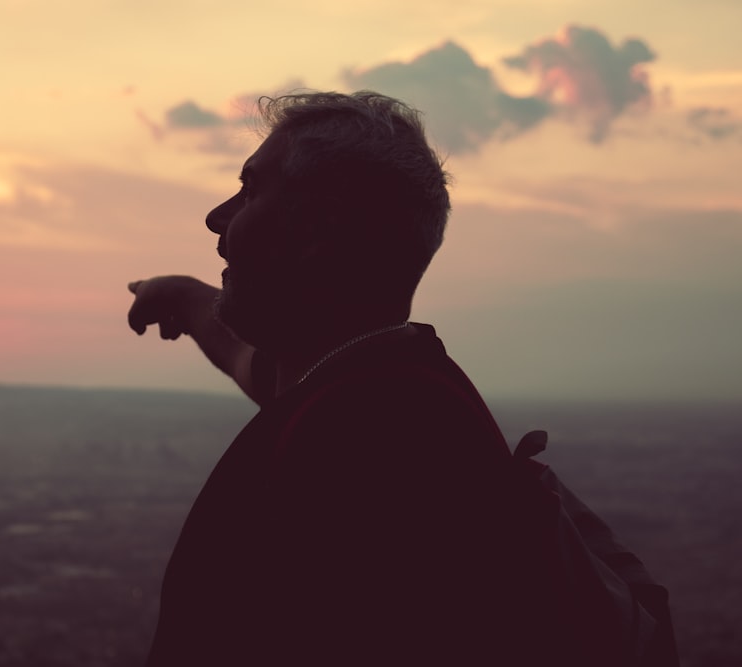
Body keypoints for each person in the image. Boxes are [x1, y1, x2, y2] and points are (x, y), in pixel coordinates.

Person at [126, 91, 676, 666]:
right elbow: (267, 373)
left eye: (251, 189)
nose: (218, 216)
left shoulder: (368, 445)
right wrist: (187, 300)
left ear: (319, 229)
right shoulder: (377, 386)